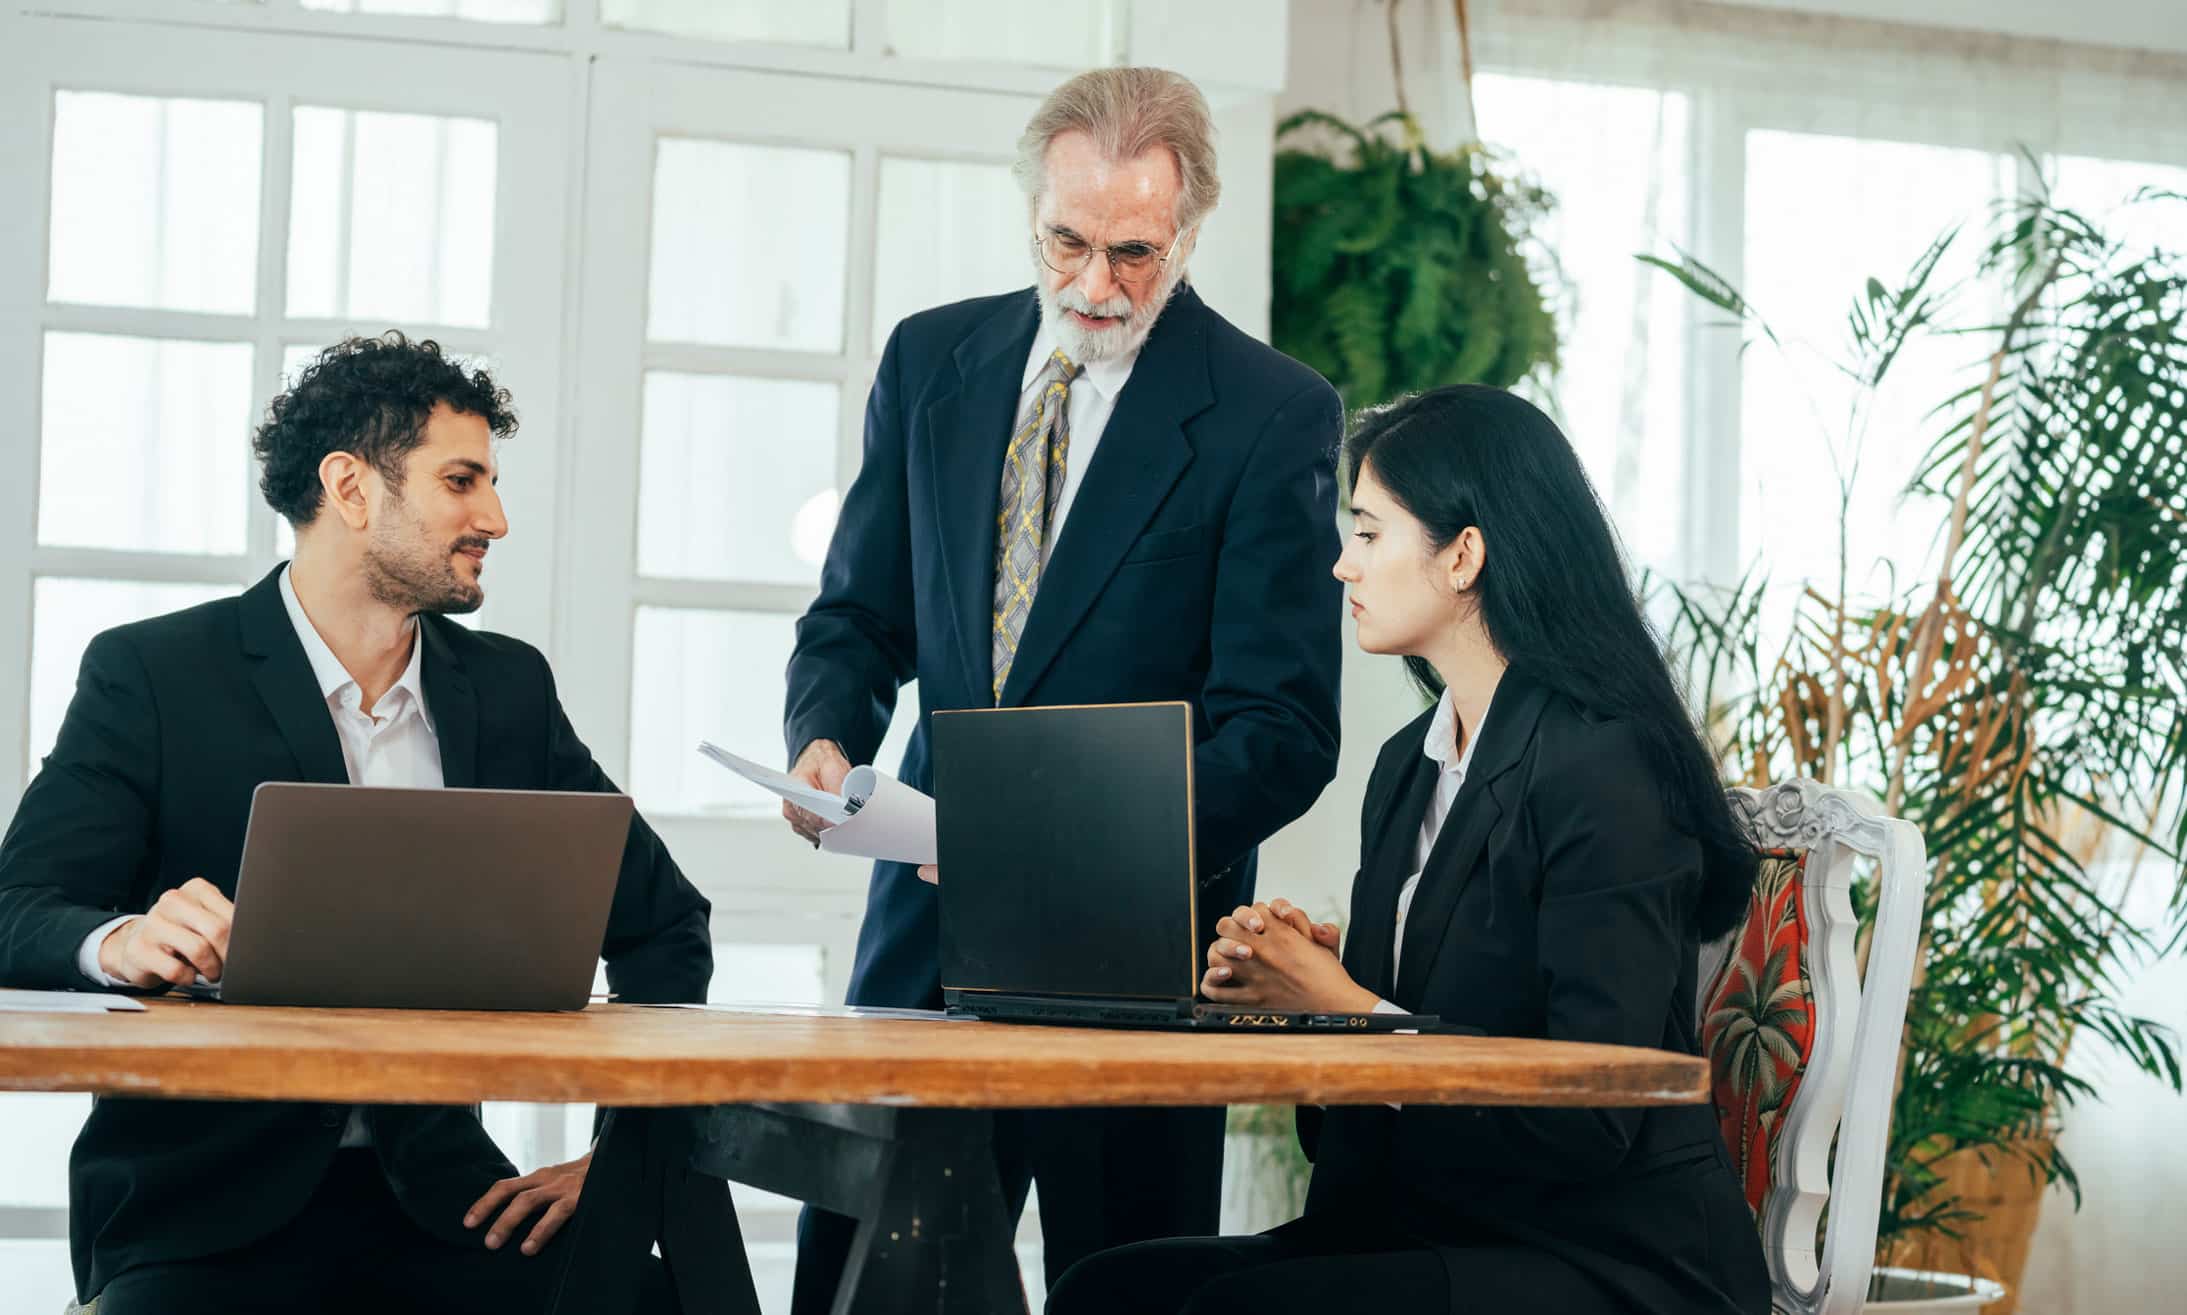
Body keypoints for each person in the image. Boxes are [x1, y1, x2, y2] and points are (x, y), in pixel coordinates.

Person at [780, 66, 1344, 1307]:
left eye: (1135, 252)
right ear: (1031, 210)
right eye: (1068, 242)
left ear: (1190, 230)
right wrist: (823, 734)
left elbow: (1285, 728)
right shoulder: (932, 360)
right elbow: (859, 614)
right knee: (861, 1285)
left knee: (1119, 1287)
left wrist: (1070, 842)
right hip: (926, 938)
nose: (1096, 285)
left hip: (1136, 963)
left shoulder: (1273, 414)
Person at [0, 333, 713, 1315]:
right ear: (350, 486)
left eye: (492, 482)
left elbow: (663, 921)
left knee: (651, 1293)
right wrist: (119, 939)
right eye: (461, 480)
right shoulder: (157, 676)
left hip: (451, 1201)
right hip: (200, 1219)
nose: (495, 517)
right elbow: (18, 907)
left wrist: (621, 1153)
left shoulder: (505, 690)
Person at [1046, 385, 1772, 1315]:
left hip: (1607, 1258)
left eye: (1368, 533)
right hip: (1437, 1222)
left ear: (1462, 554)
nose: (1341, 565)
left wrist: (1347, 1005)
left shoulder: (1604, 765)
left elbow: (1596, 1114)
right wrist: (1299, 993)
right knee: (1104, 1290)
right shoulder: (1408, 765)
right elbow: (1376, 1091)